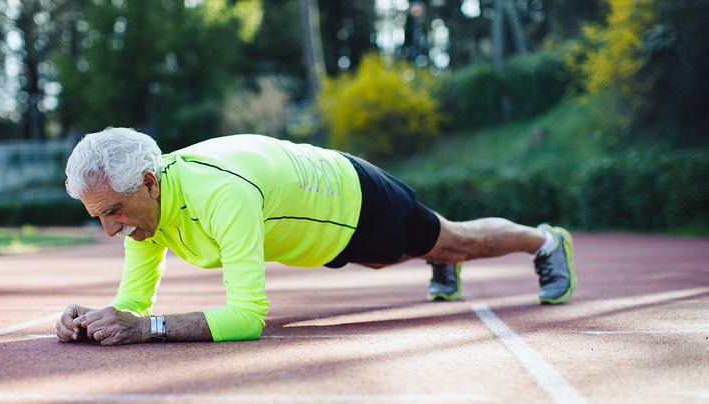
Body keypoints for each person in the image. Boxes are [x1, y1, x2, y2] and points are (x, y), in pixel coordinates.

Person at [55, 128, 575, 345]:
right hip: (319, 227)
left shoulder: (220, 195)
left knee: (453, 240)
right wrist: (99, 320)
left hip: (350, 197)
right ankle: (435, 259)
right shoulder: (143, 209)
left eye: (114, 212)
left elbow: (246, 319)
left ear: (148, 181)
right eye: (98, 216)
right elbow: (134, 302)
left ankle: (545, 242)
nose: (110, 229)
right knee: (384, 260)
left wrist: (146, 330)